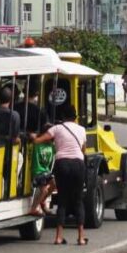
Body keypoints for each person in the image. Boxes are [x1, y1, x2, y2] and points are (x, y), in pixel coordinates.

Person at [30, 103, 87, 245]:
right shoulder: (81, 129)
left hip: (62, 164)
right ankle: (80, 237)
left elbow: (38, 141)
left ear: (62, 116)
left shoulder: (57, 128)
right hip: (78, 164)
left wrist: (33, 136)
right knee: (78, 200)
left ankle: (58, 237)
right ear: (75, 117)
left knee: (62, 200)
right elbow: (83, 150)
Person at [27, 123, 56, 217]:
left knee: (54, 185)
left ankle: (42, 202)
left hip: (46, 171)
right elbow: (30, 136)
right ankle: (33, 208)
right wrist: (35, 135)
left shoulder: (51, 145)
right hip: (38, 171)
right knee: (44, 191)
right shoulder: (37, 143)